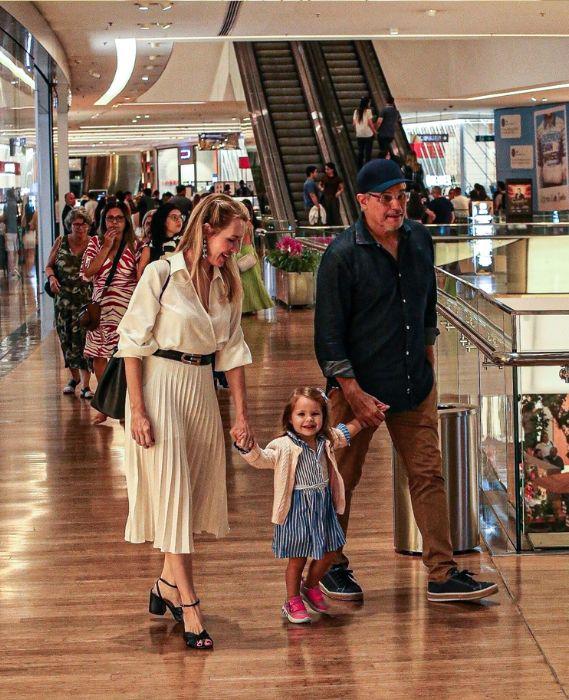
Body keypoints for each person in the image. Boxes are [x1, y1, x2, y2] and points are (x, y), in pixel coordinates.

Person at [314, 158, 498, 603]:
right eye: (385, 198)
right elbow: (328, 335)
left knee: (428, 475)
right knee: (342, 478)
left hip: (414, 383)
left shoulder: (419, 240)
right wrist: (352, 391)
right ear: (362, 202)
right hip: (356, 390)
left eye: (401, 196)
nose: (396, 206)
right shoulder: (342, 255)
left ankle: (442, 572)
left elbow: (427, 306)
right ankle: (329, 565)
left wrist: (429, 364)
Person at [115, 194, 253, 650]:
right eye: (231, 239)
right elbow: (131, 344)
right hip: (160, 386)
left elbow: (232, 349)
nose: (235, 248)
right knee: (172, 492)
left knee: (188, 496)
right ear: (207, 229)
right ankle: (190, 604)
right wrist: (137, 410)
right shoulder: (160, 274)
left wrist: (241, 414)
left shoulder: (226, 281)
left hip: (200, 390)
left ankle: (165, 586)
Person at [235, 387, 362, 623]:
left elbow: (345, 433)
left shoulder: (326, 440)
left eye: (315, 414)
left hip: (322, 505)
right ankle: (292, 600)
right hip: (297, 509)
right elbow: (262, 459)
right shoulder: (282, 445)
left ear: (323, 417)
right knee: (298, 558)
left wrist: (363, 420)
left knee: (331, 550)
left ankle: (311, 585)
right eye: (301, 414)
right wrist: (246, 447)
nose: (308, 420)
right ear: (290, 418)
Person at [81, 200, 142, 424]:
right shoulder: (95, 243)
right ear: (102, 220)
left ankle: (125, 403)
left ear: (126, 221)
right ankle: (104, 403)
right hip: (101, 308)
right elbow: (87, 273)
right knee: (99, 355)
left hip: (127, 309)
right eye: (110, 218)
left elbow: (140, 276)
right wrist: (106, 247)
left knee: (126, 356)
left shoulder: (135, 246)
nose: (114, 222)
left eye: (119, 218)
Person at [45, 208, 93, 398]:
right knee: (66, 338)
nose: (79, 228)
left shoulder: (93, 244)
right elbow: (49, 265)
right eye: (76, 224)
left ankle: (86, 385)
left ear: (88, 226)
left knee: (84, 340)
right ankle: (74, 378)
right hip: (64, 299)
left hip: (84, 298)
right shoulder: (61, 242)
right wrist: (51, 279)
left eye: (83, 224)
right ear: (70, 225)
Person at [235, 199, 273, 315]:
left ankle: (245, 307)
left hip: (243, 252)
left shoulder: (240, 224)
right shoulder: (250, 224)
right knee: (255, 281)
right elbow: (251, 241)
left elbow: (239, 241)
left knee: (244, 282)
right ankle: (254, 306)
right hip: (251, 252)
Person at [137, 203, 185, 277]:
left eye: (180, 217)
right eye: (174, 217)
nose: (179, 220)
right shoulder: (150, 247)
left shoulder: (184, 242)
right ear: (163, 220)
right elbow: (140, 277)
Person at [352, 96, 376, 169]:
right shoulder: (368, 111)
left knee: (360, 151)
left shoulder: (356, 111)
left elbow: (353, 123)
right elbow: (370, 123)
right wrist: (374, 131)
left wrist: (356, 131)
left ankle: (359, 167)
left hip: (359, 134)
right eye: (369, 102)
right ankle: (367, 167)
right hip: (368, 135)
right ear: (367, 103)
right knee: (368, 152)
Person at [1, 188, 20, 276]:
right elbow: (17, 216)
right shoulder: (15, 204)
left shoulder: (6, 205)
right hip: (15, 231)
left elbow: (4, 217)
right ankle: (15, 269)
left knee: (10, 252)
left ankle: (11, 270)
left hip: (8, 231)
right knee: (15, 251)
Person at [319, 163, 344, 227]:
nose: (326, 171)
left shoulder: (337, 178)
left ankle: (336, 228)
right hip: (325, 198)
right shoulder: (324, 177)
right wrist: (322, 189)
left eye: (328, 169)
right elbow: (319, 185)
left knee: (335, 214)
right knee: (327, 214)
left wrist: (339, 192)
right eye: (326, 169)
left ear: (332, 170)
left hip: (334, 198)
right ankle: (328, 228)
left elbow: (342, 188)